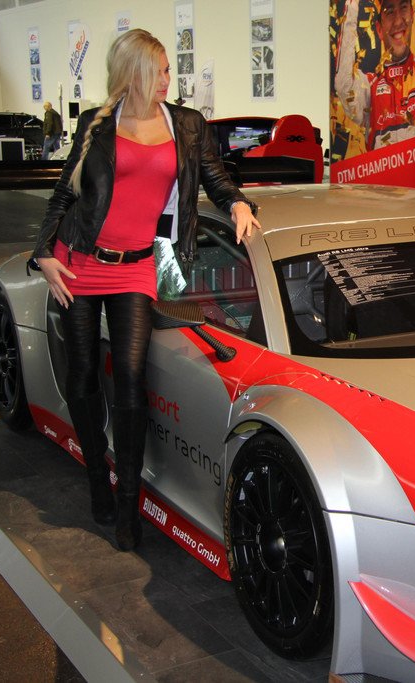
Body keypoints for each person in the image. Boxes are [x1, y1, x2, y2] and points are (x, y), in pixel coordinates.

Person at [30, 28, 260, 552]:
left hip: (136, 267)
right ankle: (97, 477)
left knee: (131, 380)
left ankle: (128, 503)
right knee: (83, 375)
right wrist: (43, 253)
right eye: (158, 70)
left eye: (167, 70)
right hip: (79, 262)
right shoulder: (97, 125)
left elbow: (215, 177)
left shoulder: (186, 124)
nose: (167, 79)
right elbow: (63, 195)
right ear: (133, 72)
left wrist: (238, 204)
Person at [334, 0, 415, 150]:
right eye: (389, 12)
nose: (398, 21)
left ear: (412, 15)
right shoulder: (370, 88)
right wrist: (351, 7)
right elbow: (343, 84)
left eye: (403, 8)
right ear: (379, 29)